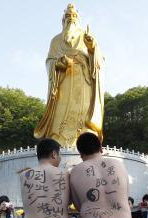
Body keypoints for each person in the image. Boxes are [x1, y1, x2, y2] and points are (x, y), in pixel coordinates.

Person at [33, 4, 105, 147]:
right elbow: (49, 61)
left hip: (83, 82)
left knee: (83, 117)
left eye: (73, 16)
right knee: (59, 116)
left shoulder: (87, 37)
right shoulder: (56, 40)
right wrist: (59, 63)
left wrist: (92, 48)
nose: (70, 18)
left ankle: (85, 142)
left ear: (78, 19)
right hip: (63, 82)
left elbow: (100, 63)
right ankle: (57, 141)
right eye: (67, 16)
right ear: (63, 20)